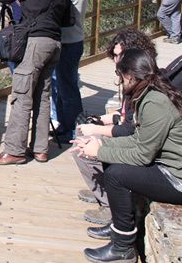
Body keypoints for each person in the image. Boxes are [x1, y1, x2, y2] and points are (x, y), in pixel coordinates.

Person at [73, 49, 182, 263]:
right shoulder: (152, 93)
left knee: (117, 175)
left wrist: (99, 151)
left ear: (130, 76)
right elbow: (139, 139)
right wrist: (102, 145)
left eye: (120, 76)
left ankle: (122, 248)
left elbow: (143, 154)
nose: (120, 81)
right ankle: (120, 227)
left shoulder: (154, 102)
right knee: (113, 159)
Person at [0, 0, 72, 165]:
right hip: (54, 43)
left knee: (22, 94)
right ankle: (40, 150)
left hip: (35, 42)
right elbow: (68, 19)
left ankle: (15, 151)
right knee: (42, 96)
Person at [74, 28, 157, 226]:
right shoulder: (137, 77)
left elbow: (130, 129)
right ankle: (101, 188)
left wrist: (97, 131)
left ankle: (109, 204)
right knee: (85, 139)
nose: (117, 60)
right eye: (116, 55)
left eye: (120, 55)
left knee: (84, 149)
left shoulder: (145, 84)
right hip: (136, 138)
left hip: (141, 145)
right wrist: (100, 119)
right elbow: (125, 114)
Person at [52, 0, 90, 141]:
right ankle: (65, 126)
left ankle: (73, 130)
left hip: (67, 42)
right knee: (65, 86)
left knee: (67, 89)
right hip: (75, 40)